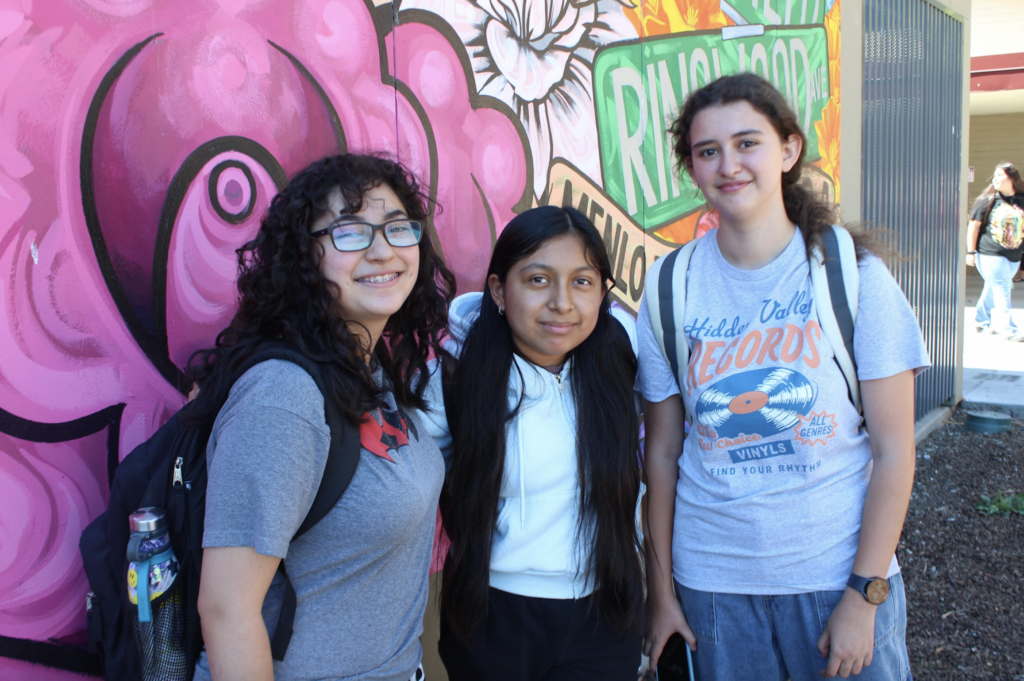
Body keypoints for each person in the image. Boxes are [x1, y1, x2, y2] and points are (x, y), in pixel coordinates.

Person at [641, 74, 929, 681]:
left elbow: (895, 450)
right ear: (691, 167)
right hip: (713, 591)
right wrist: (662, 594)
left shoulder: (854, 278)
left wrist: (863, 594)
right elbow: (663, 452)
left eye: (748, 143)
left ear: (789, 150)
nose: (729, 165)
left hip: (834, 581)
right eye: (707, 151)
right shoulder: (670, 288)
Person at [189, 154, 455, 681]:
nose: (383, 250)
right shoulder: (284, 397)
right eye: (351, 233)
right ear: (305, 256)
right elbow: (226, 610)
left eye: (398, 228)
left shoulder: (371, 368)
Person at [415, 206, 645, 680]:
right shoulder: (454, 376)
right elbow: (409, 495)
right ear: (499, 290)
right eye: (538, 280)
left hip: (604, 615)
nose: (562, 302)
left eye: (582, 282)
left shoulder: (620, 363)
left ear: (603, 293)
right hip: (493, 617)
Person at [966, 162, 1024, 339]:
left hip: (1013, 254)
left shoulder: (1021, 199)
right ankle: (1009, 329)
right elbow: (973, 227)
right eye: (994, 175)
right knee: (1003, 288)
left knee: (993, 287)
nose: (995, 178)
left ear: (1011, 177)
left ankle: (981, 321)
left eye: (1000, 175)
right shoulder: (987, 200)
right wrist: (971, 252)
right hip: (990, 253)